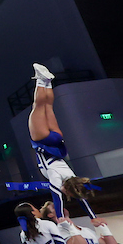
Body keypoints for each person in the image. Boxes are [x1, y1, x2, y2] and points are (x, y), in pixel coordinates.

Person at [28, 64, 95, 219]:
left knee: (48, 107)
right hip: (43, 140)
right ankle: (40, 80)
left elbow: (82, 199)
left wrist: (93, 216)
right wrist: (60, 219)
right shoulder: (56, 178)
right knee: (38, 106)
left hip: (57, 139)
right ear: (70, 190)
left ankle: (48, 82)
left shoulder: (72, 176)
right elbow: (57, 199)